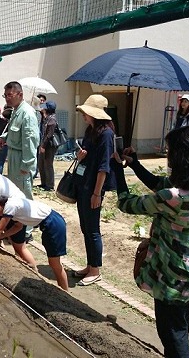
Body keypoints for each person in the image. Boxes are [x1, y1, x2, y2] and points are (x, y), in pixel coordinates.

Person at [111, 125, 189, 358]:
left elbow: (126, 203)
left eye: (170, 151)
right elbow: (161, 184)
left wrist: (117, 170)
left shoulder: (173, 197)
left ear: (180, 157)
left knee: (172, 334)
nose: (167, 155)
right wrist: (134, 164)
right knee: (181, 326)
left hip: (174, 274)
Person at [0, 191, 69, 291]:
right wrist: (1, 236)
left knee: (54, 263)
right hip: (50, 222)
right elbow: (18, 227)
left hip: (53, 224)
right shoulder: (12, 205)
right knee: (54, 262)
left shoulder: (10, 206)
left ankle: (65, 292)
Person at [72, 94, 116, 286]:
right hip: (83, 183)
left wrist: (97, 193)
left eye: (86, 112)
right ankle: (90, 266)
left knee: (93, 229)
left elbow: (104, 167)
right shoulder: (91, 131)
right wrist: (79, 156)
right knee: (85, 227)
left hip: (93, 187)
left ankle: (95, 269)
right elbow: (85, 157)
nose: (83, 115)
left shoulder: (106, 134)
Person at [0, 81, 40, 237]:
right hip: (14, 155)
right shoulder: (16, 111)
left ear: (20, 95)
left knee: (24, 194)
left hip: (22, 158)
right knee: (15, 193)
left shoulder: (28, 113)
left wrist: (26, 165)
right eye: (5, 95)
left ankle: (27, 230)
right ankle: (18, 224)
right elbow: (13, 130)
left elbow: (30, 141)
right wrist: (4, 137)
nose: (7, 99)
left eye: (10, 95)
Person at [37, 101, 58, 191]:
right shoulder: (46, 118)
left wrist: (43, 146)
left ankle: (50, 185)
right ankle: (44, 183)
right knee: (41, 163)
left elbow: (49, 134)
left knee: (48, 164)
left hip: (49, 146)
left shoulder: (52, 119)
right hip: (44, 144)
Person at [0, 106, 12, 174]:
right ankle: (10, 174)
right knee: (10, 161)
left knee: (0, 160)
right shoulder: (10, 120)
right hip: (8, 142)